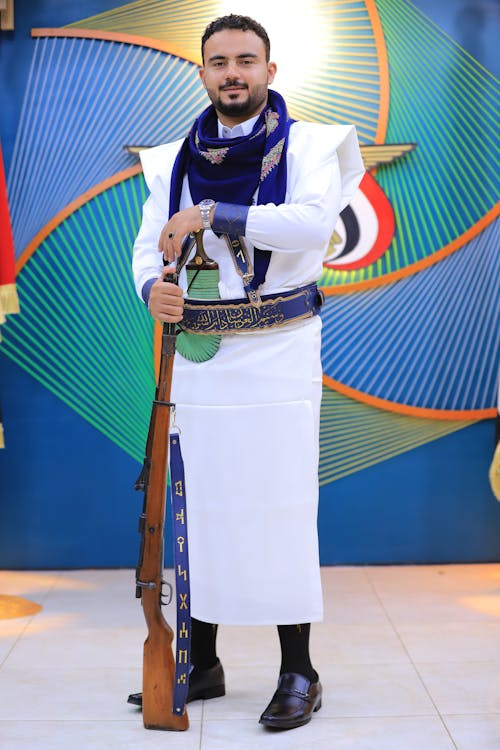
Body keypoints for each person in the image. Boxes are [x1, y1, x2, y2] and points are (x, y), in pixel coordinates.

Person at [130, 14, 364, 730]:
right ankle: (202, 661)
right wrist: (152, 289)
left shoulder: (314, 144)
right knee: (202, 512)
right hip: (201, 361)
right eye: (219, 61)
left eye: (246, 60)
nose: (233, 72)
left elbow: (307, 225)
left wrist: (209, 213)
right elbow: (147, 247)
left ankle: (301, 669)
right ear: (202, 73)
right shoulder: (170, 158)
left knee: (281, 509)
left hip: (280, 351)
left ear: (270, 70)